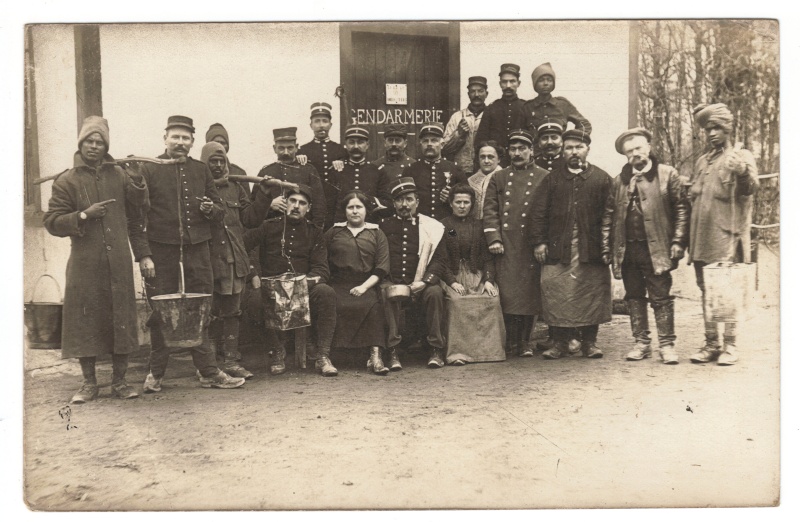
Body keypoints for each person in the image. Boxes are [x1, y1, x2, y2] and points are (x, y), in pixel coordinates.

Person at [43, 116, 148, 403]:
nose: (94, 146)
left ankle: (120, 382)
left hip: (118, 264)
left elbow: (139, 210)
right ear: (81, 143)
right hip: (85, 265)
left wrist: (137, 178)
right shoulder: (67, 180)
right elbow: (51, 221)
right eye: (89, 141)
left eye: (99, 142)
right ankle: (89, 384)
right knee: (84, 322)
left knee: (121, 320)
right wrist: (83, 215)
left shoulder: (119, 175)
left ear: (106, 146)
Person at [137, 115, 245, 391]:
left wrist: (211, 210)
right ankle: (156, 374)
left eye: (186, 138)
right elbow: (137, 217)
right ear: (165, 139)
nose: (180, 143)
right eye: (175, 137)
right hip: (162, 253)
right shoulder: (150, 169)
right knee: (162, 312)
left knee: (201, 310)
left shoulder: (201, 170)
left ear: (192, 142)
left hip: (198, 252)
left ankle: (208, 371)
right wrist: (144, 255)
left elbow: (220, 211)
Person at [602, 128, 689, 364]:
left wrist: (679, 241)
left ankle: (667, 345)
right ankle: (641, 343)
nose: (635, 154)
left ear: (649, 147)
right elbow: (608, 216)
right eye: (629, 151)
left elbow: (682, 209)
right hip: (628, 250)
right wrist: (606, 249)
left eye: (639, 148)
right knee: (634, 297)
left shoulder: (667, 174)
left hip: (657, 249)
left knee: (661, 296)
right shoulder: (619, 181)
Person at [686, 103, 759, 366]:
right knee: (706, 289)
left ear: (727, 129)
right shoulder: (702, 162)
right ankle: (711, 343)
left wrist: (741, 172)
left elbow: (750, 189)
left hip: (725, 236)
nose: (712, 133)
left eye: (717, 128)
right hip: (700, 237)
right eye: (708, 129)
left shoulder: (741, 156)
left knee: (725, 289)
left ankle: (730, 345)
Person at [531, 129, 612, 360]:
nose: (574, 152)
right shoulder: (552, 179)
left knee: (591, 294)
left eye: (579, 147)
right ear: (563, 152)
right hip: (559, 249)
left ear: (587, 149)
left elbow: (611, 214)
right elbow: (538, 213)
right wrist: (539, 243)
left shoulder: (602, 178)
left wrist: (609, 247)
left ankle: (590, 342)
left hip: (591, 249)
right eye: (569, 148)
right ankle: (559, 343)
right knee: (556, 292)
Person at [244, 184, 338, 376]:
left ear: (308, 208)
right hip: (272, 288)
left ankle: (322, 355)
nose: (296, 206)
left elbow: (322, 268)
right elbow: (240, 246)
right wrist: (252, 273)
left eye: (302, 203)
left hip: (303, 287)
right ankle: (277, 350)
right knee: (253, 300)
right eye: (292, 201)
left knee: (326, 293)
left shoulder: (314, 232)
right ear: (285, 203)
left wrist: (305, 282)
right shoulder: (269, 226)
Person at [200, 141, 275, 379]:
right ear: (204, 163)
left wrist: (263, 194)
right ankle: (207, 366)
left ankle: (231, 362)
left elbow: (251, 219)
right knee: (208, 313)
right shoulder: (195, 186)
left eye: (222, 161)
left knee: (232, 312)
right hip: (206, 260)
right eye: (214, 161)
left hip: (232, 259)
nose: (219, 165)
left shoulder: (236, 186)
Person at [483, 129, 548, 357]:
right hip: (507, 244)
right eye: (513, 149)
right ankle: (510, 340)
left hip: (529, 244)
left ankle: (525, 341)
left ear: (531, 151)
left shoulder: (543, 176)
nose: (517, 153)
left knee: (529, 293)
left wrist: (541, 242)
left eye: (522, 149)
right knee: (508, 293)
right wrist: (494, 238)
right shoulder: (499, 177)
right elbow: (490, 210)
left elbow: (548, 213)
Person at [379, 177, 448, 369]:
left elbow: (440, 261)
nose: (404, 205)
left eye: (409, 199)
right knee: (386, 293)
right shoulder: (384, 226)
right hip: (392, 280)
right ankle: (392, 350)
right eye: (400, 200)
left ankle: (436, 348)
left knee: (434, 293)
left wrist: (425, 282)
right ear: (393, 203)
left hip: (421, 282)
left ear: (417, 202)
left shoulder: (432, 227)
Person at [324, 191, 391, 375]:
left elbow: (382, 267)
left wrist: (363, 287)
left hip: (366, 283)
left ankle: (375, 356)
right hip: (337, 284)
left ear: (366, 210)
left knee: (373, 305)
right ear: (344, 211)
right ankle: (325, 355)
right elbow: (322, 261)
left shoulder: (376, 233)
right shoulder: (334, 232)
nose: (355, 211)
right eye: (350, 207)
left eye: (359, 207)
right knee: (331, 303)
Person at [440, 184, 505, 365]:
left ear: (472, 204)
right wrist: (452, 282)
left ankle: (488, 353)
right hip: (452, 275)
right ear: (451, 203)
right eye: (458, 202)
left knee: (491, 300)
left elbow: (487, 258)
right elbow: (440, 260)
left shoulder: (479, 226)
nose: (462, 206)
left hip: (476, 273)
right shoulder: (445, 225)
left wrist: (489, 280)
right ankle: (458, 354)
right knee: (457, 302)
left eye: (466, 202)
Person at [256, 127, 326, 228]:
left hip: (303, 231)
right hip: (272, 231)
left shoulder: (308, 170)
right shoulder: (265, 172)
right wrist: (269, 204)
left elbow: (319, 204)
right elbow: (254, 204)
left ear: (296, 147)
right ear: (274, 148)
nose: (285, 152)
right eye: (281, 148)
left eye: (290, 148)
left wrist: (316, 230)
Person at [401, 122, 467, 221]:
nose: (429, 144)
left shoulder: (455, 169)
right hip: (419, 224)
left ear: (442, 144)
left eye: (434, 141)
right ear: (421, 144)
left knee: (452, 235)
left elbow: (468, 197)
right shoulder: (410, 170)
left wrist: (452, 197)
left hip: (448, 224)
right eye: (425, 141)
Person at [298, 102, 348, 229]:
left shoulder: (340, 150)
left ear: (330, 124)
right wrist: (297, 159)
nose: (321, 125)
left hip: (335, 202)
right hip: (313, 202)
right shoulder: (303, 150)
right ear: (311, 125)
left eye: (325, 121)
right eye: (317, 121)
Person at [331, 124, 392, 223]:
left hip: (370, 225)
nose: (356, 146)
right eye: (351, 142)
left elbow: (388, 204)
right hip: (341, 227)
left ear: (367, 145)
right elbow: (329, 205)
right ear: (345, 144)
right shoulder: (337, 170)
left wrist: (367, 200)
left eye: (360, 142)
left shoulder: (377, 171)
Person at [523, 62, 592, 142]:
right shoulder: (527, 107)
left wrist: (572, 141)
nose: (546, 83)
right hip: (536, 153)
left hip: (559, 152)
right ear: (535, 84)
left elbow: (584, 124)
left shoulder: (562, 104)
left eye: (549, 80)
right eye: (541, 80)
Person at [474, 64, 527, 161]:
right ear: (500, 84)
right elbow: (481, 140)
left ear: (518, 83)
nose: (508, 86)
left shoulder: (525, 107)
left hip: (520, 160)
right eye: (504, 82)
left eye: (512, 81)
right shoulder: (491, 108)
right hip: (497, 163)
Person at [442, 76, 488, 173]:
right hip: (461, 171)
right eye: (472, 91)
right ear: (468, 94)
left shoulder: (492, 115)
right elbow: (444, 148)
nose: (476, 95)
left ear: (486, 94)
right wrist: (458, 134)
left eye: (480, 91)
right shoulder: (457, 117)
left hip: (486, 171)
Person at [205, 122, 251, 195]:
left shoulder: (239, 173)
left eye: (223, 143)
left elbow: (248, 204)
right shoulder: (199, 172)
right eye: (215, 142)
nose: (219, 146)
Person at [467, 141, 504, 219]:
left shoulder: (505, 178)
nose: (486, 161)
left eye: (490, 157)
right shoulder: (471, 181)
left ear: (499, 159)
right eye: (482, 157)